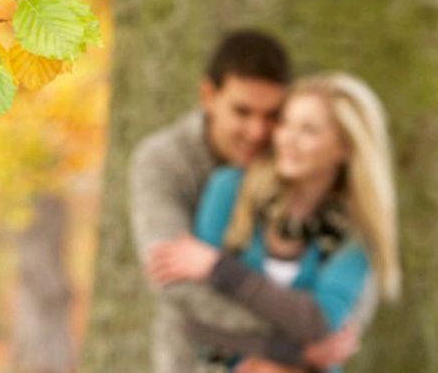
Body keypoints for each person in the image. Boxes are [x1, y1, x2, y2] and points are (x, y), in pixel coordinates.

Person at [130, 30, 363, 372]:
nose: (258, 132)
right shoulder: (164, 161)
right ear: (208, 96)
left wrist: (327, 331)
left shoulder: (292, 158)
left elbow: (342, 296)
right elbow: (175, 281)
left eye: (272, 115)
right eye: (242, 112)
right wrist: (293, 344)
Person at [156, 72, 400, 372]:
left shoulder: (355, 233)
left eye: (308, 131)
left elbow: (319, 323)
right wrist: (290, 352)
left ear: (345, 147)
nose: (287, 139)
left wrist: (220, 268)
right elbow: (197, 314)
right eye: (285, 123)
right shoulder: (230, 191)